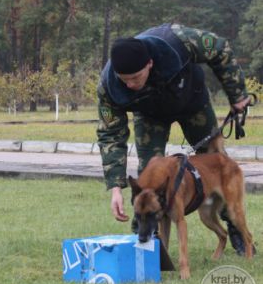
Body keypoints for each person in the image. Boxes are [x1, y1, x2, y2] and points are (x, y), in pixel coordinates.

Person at [96, 23, 251, 253]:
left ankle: (236, 228)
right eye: (124, 79)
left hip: (192, 102)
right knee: (149, 172)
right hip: (149, 115)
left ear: (149, 63)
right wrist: (116, 188)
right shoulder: (109, 86)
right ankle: (150, 236)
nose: (130, 84)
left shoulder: (177, 40)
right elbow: (110, 134)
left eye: (135, 77)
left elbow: (219, 48)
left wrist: (237, 94)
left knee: (214, 162)